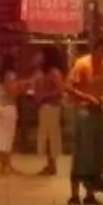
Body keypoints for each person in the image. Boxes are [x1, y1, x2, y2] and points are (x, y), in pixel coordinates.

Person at [64, 43, 103, 205]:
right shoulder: (82, 64)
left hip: (98, 112)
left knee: (96, 153)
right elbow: (69, 87)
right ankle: (74, 195)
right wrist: (87, 97)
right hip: (84, 112)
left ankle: (90, 194)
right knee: (82, 152)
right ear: (96, 49)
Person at [31, 46, 67, 180]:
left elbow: (60, 90)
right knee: (46, 137)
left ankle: (52, 165)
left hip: (51, 108)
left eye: (40, 54)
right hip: (44, 108)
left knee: (51, 137)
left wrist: (44, 96)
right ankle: (49, 163)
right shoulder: (42, 72)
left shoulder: (53, 72)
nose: (38, 57)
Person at [0, 67, 22, 175]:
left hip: (0, 105)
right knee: (6, 138)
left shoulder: (0, 76)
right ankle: (5, 166)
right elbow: (12, 92)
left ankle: (5, 165)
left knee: (2, 136)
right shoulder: (9, 74)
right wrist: (22, 88)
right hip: (7, 106)